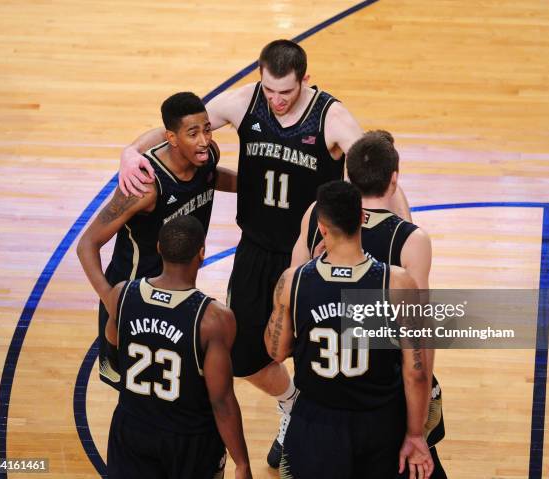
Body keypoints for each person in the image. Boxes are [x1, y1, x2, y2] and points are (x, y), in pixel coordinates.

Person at [118, 39, 411, 467]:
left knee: (325, 352)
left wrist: (401, 234)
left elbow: (376, 174)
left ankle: (324, 424)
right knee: (243, 356)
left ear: (305, 81)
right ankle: (291, 404)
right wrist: (131, 150)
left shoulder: (330, 116)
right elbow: (181, 125)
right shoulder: (243, 102)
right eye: (269, 90)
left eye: (286, 92)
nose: (275, 100)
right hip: (255, 251)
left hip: (310, 258)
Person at [292, 130, 447, 478]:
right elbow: (420, 335)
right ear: (394, 181)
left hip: (323, 385)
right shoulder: (409, 239)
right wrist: (416, 427)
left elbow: (291, 291)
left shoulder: (318, 216)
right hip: (380, 387)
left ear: (347, 176)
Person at [265, 180, 434, 479]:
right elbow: (417, 372)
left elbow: (275, 352)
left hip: (316, 421)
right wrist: (415, 434)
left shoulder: (294, 281)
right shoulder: (396, 282)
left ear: (322, 227)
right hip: (378, 421)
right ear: (361, 218)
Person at [77, 91, 236, 389]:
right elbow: (87, 245)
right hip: (135, 297)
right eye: (193, 133)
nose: (204, 140)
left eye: (207, 129)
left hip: (176, 294)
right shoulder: (145, 186)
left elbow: (213, 177)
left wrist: (251, 186)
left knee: (169, 389)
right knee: (133, 391)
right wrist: (112, 300)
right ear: (172, 139)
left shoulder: (207, 156)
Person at [103, 216, 251, 479]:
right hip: (189, 440)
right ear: (202, 253)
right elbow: (221, 400)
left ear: (159, 248)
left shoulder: (122, 294)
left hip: (132, 427)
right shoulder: (213, 318)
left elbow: (112, 353)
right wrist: (242, 462)